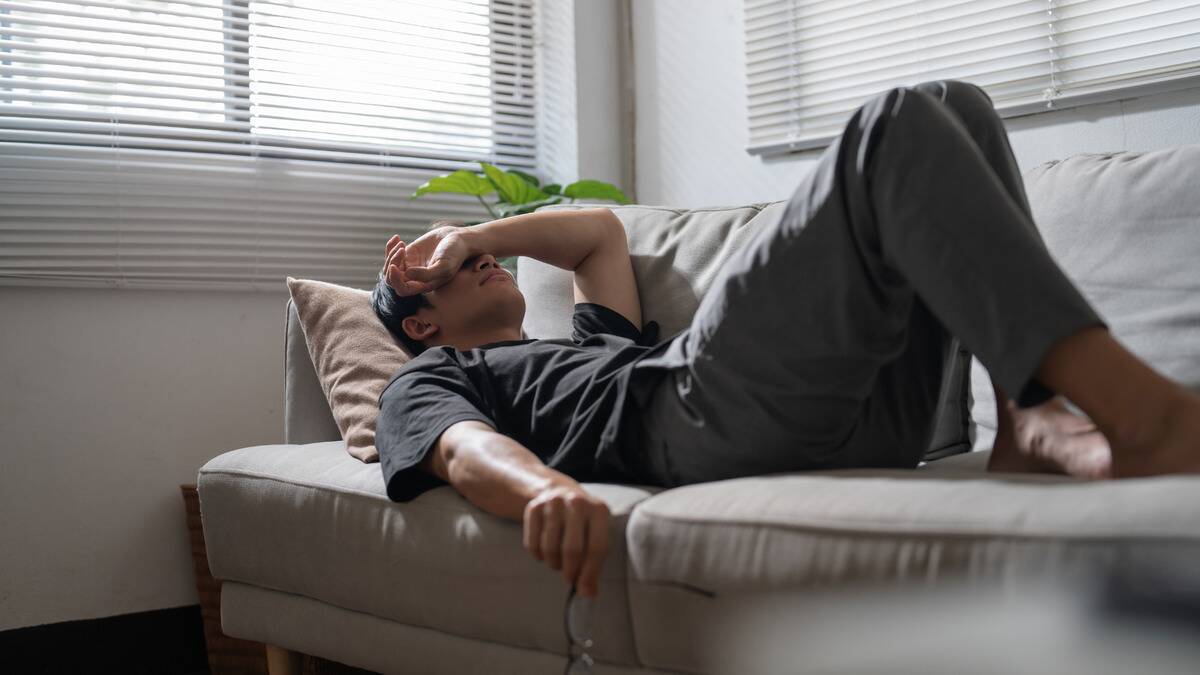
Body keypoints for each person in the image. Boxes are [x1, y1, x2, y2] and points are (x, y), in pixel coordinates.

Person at [370, 79, 1200, 600]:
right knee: (895, 123)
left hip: (851, 419)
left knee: (959, 105)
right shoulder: (437, 375)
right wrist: (543, 488)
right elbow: (461, 450)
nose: (475, 260)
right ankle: (1145, 415)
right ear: (422, 322)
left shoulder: (581, 340)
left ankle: (1027, 423)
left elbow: (599, 236)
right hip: (682, 419)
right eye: (449, 272)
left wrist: (477, 236)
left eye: (471, 255)